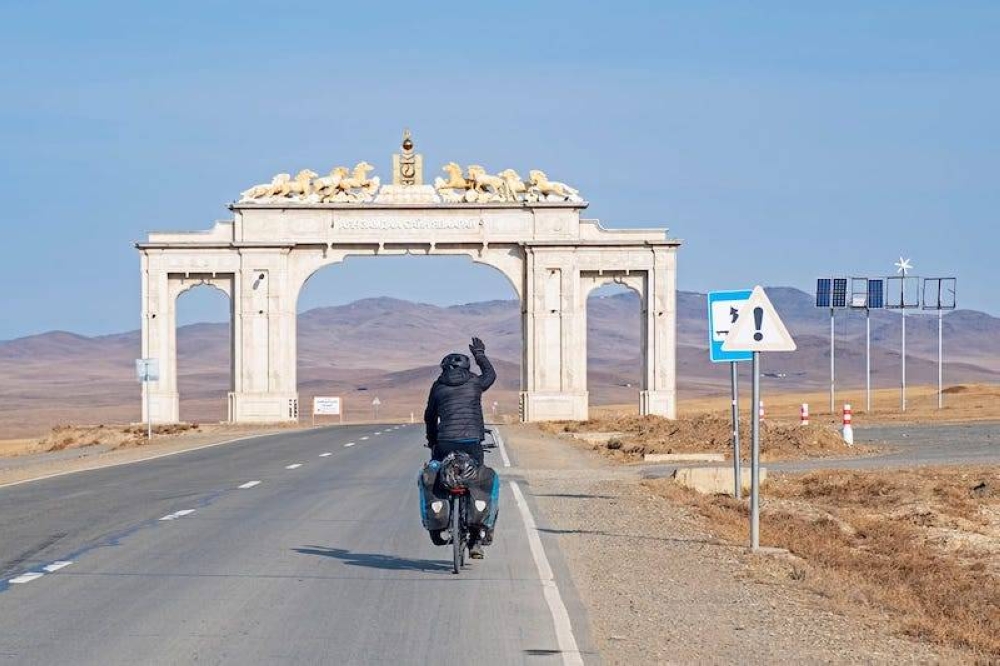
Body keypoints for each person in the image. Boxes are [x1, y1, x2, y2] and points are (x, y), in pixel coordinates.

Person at [424, 336, 496, 558]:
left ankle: (437, 527)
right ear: (467, 367)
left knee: (435, 476)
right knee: (480, 483)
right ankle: (477, 538)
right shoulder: (475, 382)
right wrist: (480, 354)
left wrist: (433, 441)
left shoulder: (438, 387)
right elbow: (490, 376)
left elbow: (429, 417)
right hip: (472, 442)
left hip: (445, 442)